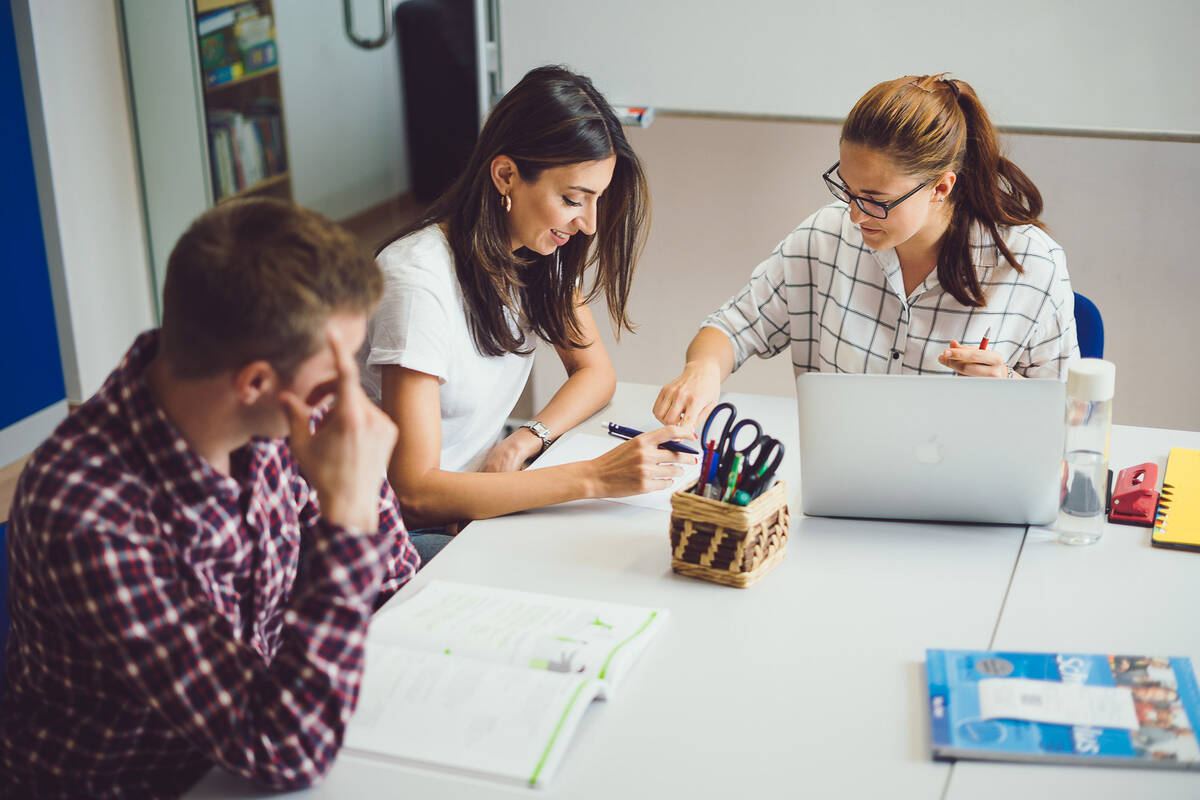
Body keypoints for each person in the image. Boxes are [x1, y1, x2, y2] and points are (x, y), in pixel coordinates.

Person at [0, 198, 419, 797]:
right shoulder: (89, 512)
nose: (349, 397)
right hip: (150, 784)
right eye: (335, 377)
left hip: (261, 740)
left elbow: (394, 587)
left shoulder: (281, 412)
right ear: (254, 383)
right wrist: (347, 519)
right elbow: (281, 750)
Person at [359, 65, 693, 560]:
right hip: (398, 531)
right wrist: (594, 477)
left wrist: (527, 439)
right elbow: (415, 494)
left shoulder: (539, 254)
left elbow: (596, 373)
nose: (588, 224)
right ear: (506, 175)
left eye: (596, 200)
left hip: (477, 499)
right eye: (573, 200)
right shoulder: (417, 280)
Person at [653, 74, 1080, 427]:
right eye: (847, 189)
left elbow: (1070, 420)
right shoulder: (825, 237)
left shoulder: (1032, 265)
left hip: (967, 495)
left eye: (876, 199)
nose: (856, 215)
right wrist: (702, 371)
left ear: (941, 187)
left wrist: (1006, 387)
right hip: (840, 488)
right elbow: (732, 329)